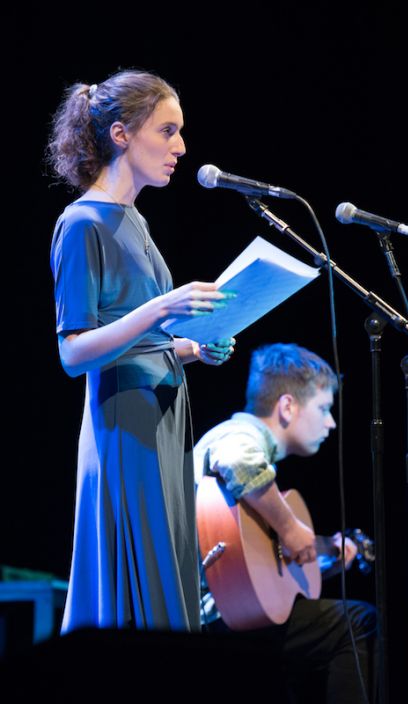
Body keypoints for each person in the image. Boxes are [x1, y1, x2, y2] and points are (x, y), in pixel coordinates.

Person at [46, 69, 236, 634]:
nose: (180, 147)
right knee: (141, 592)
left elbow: (140, 342)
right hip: (125, 426)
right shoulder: (82, 223)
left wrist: (189, 349)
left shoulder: (134, 219)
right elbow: (74, 352)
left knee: (166, 575)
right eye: (168, 130)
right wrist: (160, 310)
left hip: (162, 415)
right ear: (122, 135)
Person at [194, 343, 377, 704]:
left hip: (237, 612)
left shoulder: (259, 467)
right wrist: (291, 528)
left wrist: (321, 560)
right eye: (324, 409)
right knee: (358, 621)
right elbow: (235, 459)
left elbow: (257, 577)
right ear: (287, 406)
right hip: (214, 618)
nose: (331, 423)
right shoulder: (238, 436)